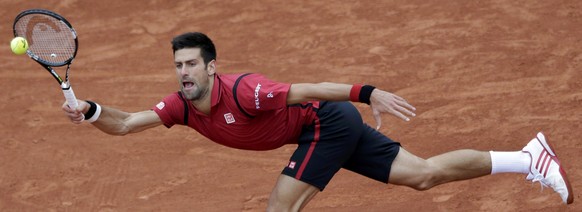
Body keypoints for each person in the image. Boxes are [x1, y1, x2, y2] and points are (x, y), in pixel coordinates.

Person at [62, 32, 573, 210]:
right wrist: (90, 111)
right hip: (325, 132)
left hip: (326, 123)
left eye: (192, 64)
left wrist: (368, 92)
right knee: (424, 176)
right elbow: (126, 123)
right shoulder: (179, 106)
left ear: (211, 66)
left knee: (279, 207)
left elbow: (309, 90)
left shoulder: (248, 90)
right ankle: (528, 157)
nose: (183, 73)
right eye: (178, 66)